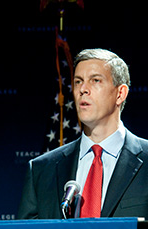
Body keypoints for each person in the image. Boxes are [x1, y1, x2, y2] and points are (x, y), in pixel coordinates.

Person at [17, 48, 148, 220]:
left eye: (95, 80)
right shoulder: (41, 170)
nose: (83, 89)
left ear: (120, 93)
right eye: (78, 81)